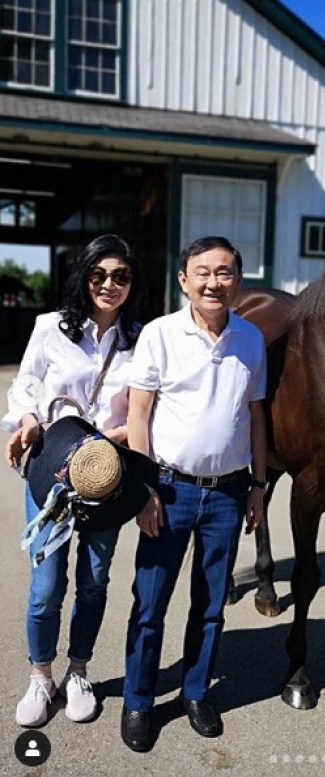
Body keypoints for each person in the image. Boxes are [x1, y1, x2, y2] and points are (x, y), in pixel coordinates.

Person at [121, 235, 267, 752]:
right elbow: (138, 415)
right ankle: (138, 701)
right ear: (183, 281)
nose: (213, 282)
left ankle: (196, 691)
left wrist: (258, 485)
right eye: (202, 272)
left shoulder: (250, 339)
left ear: (238, 280)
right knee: (150, 602)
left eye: (224, 272)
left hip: (228, 494)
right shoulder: (160, 335)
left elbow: (255, 416)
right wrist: (143, 488)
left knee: (210, 606)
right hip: (169, 489)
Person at [2, 234, 146, 727]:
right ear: (84, 277)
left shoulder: (142, 339)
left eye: (121, 276)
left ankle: (78, 670)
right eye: (99, 274)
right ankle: (40, 676)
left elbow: (150, 406)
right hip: (51, 470)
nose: (109, 284)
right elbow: (24, 383)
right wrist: (24, 418)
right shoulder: (51, 328)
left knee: (94, 582)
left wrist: (125, 433)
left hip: (107, 475)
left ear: (132, 283)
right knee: (45, 587)